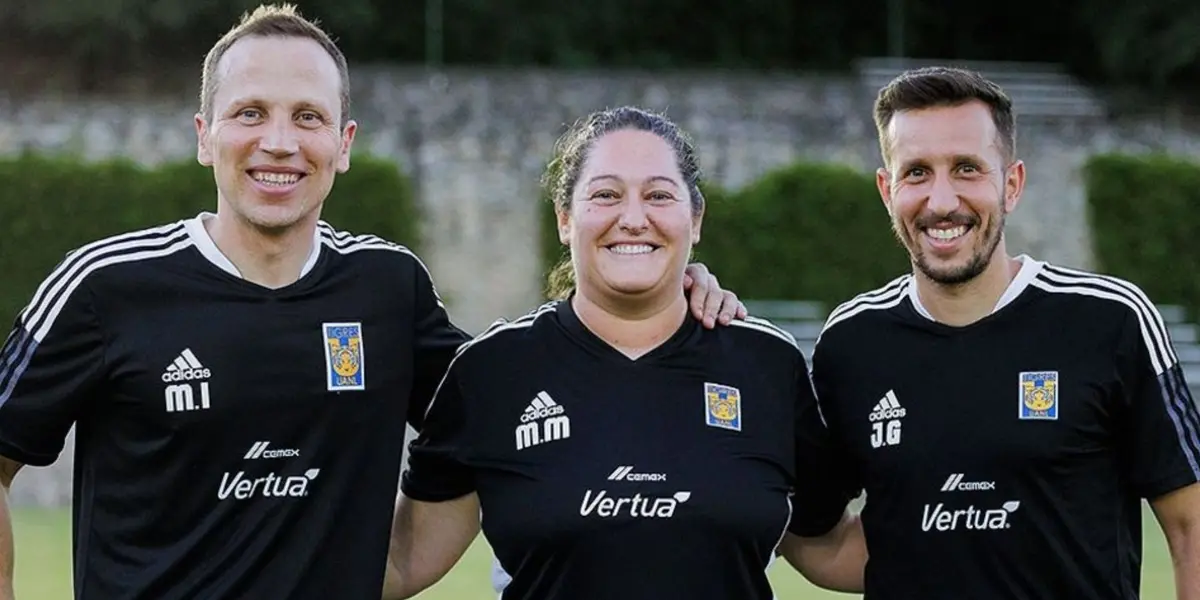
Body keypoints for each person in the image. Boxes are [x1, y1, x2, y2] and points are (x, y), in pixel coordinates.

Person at [0, 6, 745, 600]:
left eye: (309, 117)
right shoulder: (105, 285)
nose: (281, 142)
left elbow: (511, 407)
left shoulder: (388, 288)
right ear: (205, 135)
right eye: (251, 112)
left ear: (345, 141)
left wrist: (666, 298)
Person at [382, 105, 867, 600]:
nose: (633, 219)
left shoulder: (767, 365)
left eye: (658, 195)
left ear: (695, 219)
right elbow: (403, 561)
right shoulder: (493, 371)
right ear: (565, 218)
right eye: (606, 195)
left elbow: (829, 547)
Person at [810, 65, 1200, 599]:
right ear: (887, 189)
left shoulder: (1109, 320)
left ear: (1011, 184)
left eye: (967, 169)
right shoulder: (851, 342)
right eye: (917, 172)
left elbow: (1191, 524)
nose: (941, 201)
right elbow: (844, 546)